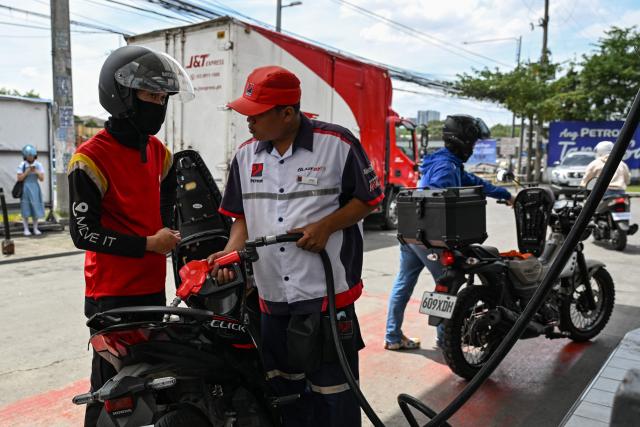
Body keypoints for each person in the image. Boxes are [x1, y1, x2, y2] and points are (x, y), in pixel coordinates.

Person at [208, 65, 384, 427]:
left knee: (334, 396)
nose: (249, 123)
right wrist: (230, 252)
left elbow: (369, 199)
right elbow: (240, 217)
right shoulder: (245, 156)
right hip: (272, 297)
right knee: (285, 395)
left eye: (255, 115)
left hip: (326, 295)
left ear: (287, 113)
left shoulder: (337, 144)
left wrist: (327, 226)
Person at [67, 45, 194, 427]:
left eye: (162, 97)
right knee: (110, 390)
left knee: (154, 386)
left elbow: (170, 217)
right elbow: (84, 233)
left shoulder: (161, 154)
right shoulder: (90, 159)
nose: (158, 104)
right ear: (121, 95)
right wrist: (146, 245)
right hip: (111, 295)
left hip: (152, 290)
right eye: (150, 95)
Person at [385, 114, 514, 350]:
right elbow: (436, 199)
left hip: (413, 233)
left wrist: (505, 195)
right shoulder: (446, 166)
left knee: (404, 282)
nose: (473, 148)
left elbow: (475, 182)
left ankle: (392, 337)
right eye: (472, 143)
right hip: (431, 236)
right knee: (445, 285)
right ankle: (444, 338)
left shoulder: (445, 161)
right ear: (462, 141)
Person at [16, 144, 45, 236]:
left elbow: (42, 178)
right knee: (25, 208)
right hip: (25, 188)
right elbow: (19, 178)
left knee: (35, 208)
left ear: (34, 155)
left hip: (35, 187)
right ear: (25, 156)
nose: (30, 157)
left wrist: (36, 171)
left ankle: (35, 228)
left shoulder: (38, 165)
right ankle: (26, 229)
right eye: (28, 155)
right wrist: (27, 171)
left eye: (32, 155)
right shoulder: (22, 165)